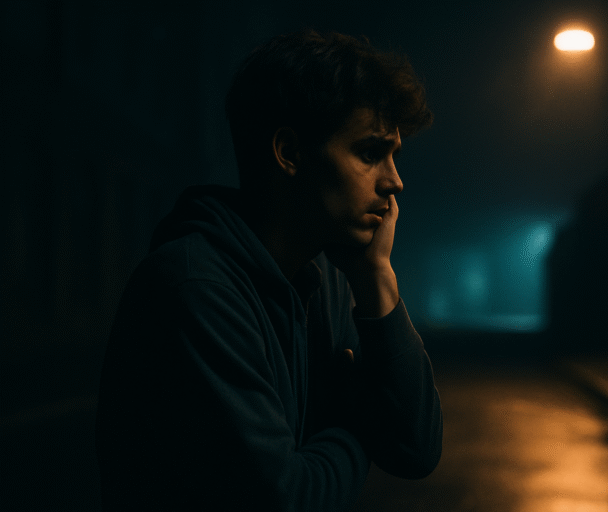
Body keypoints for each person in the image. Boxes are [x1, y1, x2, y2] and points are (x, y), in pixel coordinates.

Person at [95, 30, 442, 511]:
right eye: (369, 152)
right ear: (290, 153)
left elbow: (416, 449)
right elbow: (283, 500)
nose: (395, 181)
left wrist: (376, 276)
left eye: (394, 156)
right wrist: (359, 418)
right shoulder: (195, 289)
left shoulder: (330, 280)